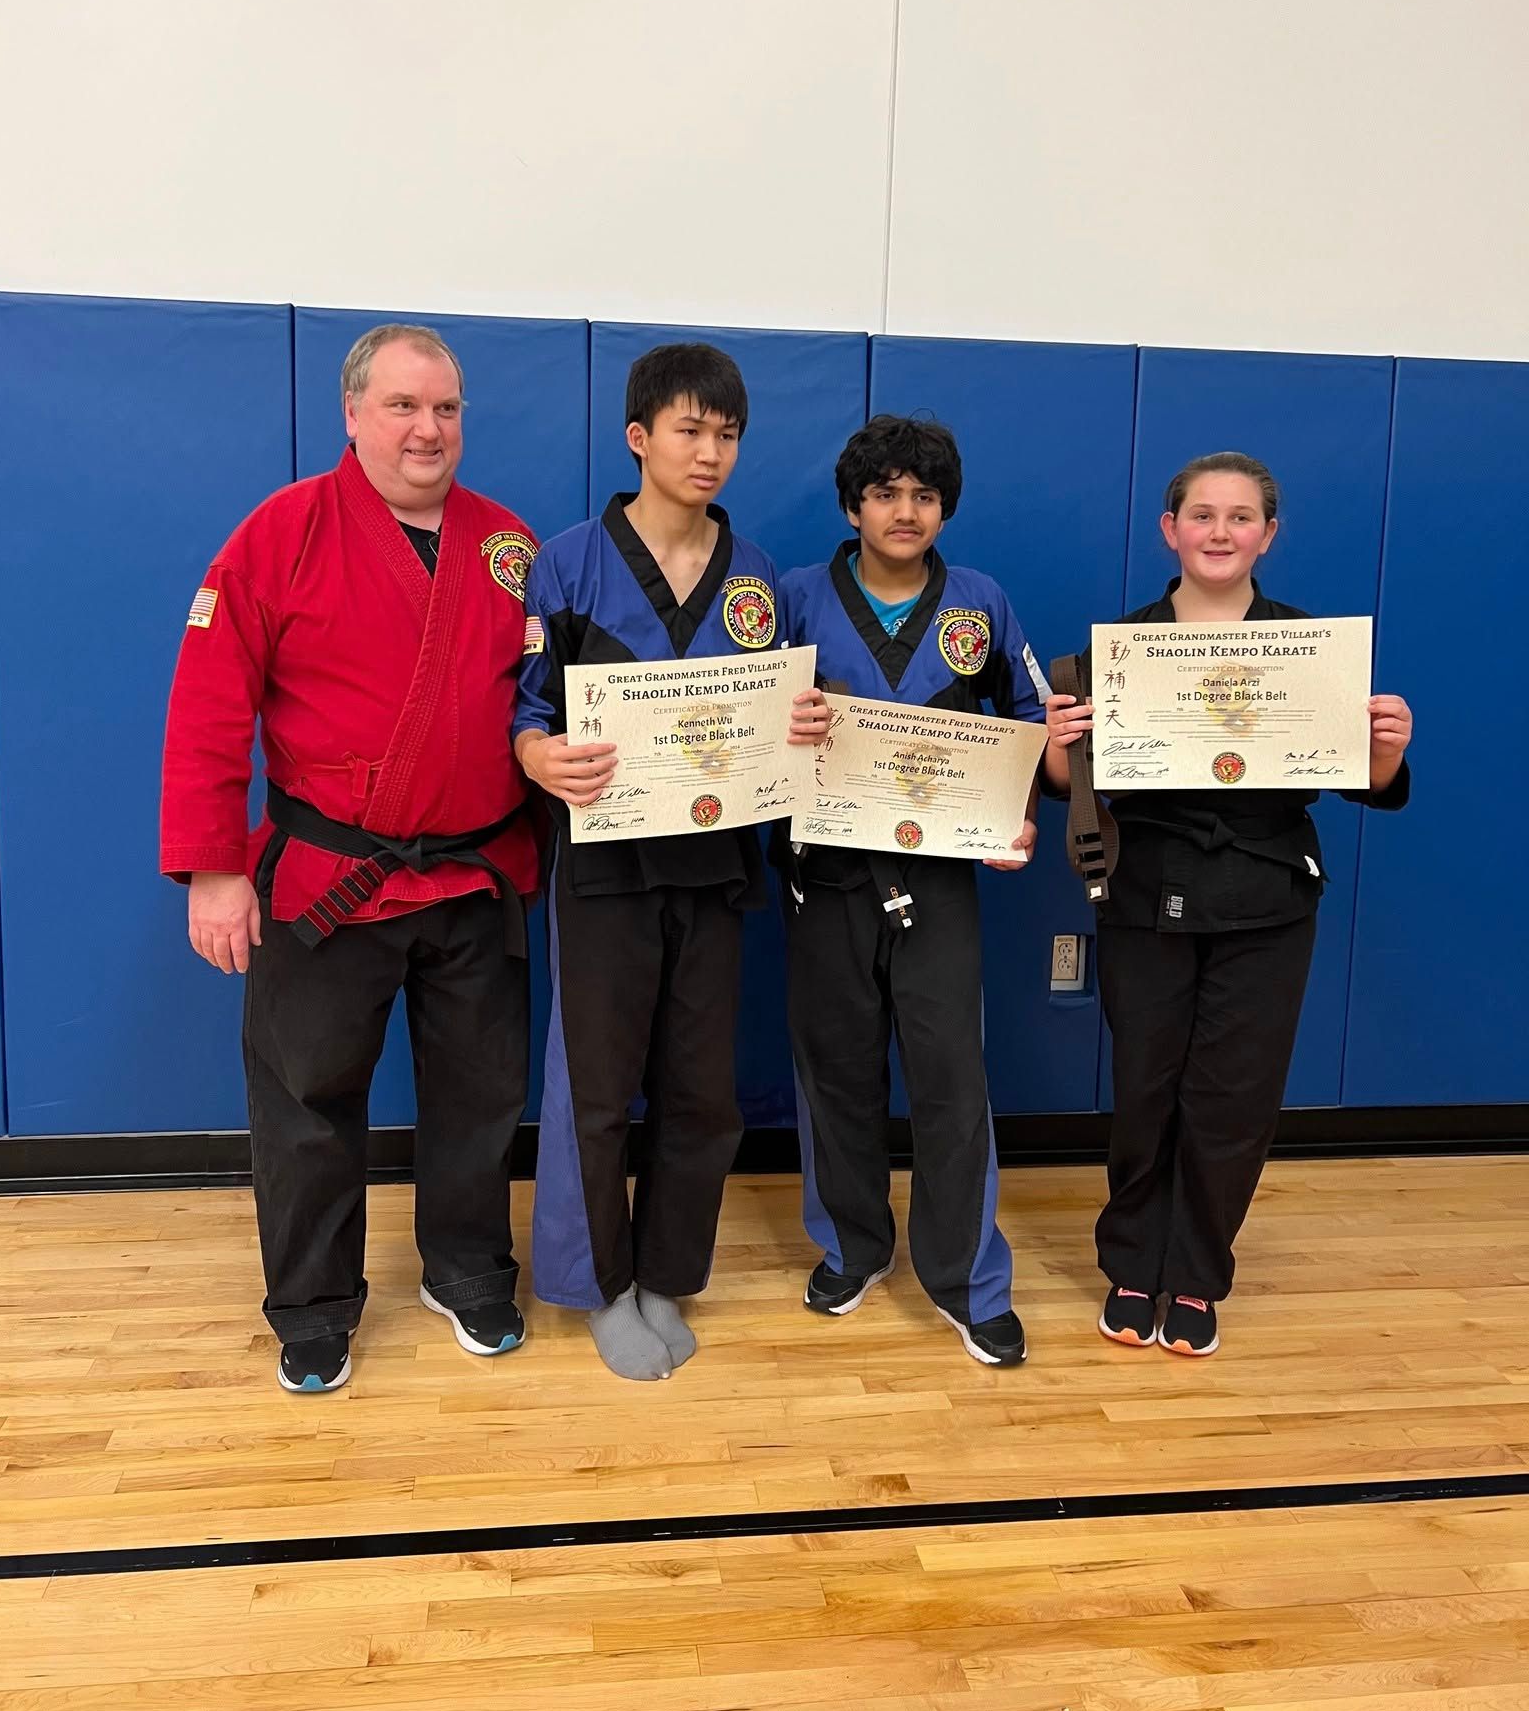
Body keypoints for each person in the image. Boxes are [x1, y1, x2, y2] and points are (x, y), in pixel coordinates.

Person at [161, 324, 541, 1394]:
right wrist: (214, 866)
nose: (430, 429)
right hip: (331, 878)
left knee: (480, 1094)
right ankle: (315, 1304)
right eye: (405, 406)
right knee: (307, 1101)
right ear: (353, 413)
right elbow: (206, 706)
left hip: (474, 869)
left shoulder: (507, 544)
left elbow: (553, 706)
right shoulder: (279, 534)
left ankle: (466, 1269)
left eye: (448, 408)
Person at [1044, 452, 1413, 1357]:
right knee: (1146, 1091)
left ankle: (1199, 1273)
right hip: (1144, 895)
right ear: (1169, 530)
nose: (1219, 532)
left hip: (1268, 898)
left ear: (1267, 535)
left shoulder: (1311, 650)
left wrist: (1387, 747)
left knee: (1233, 1099)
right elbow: (1071, 789)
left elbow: (1367, 784)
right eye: (1201, 515)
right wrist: (1058, 745)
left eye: (1240, 517)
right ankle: (1133, 1262)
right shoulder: (1114, 651)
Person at [513, 342, 820, 1380]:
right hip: (602, 866)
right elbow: (524, 710)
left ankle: (663, 1270)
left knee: (701, 1091)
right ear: (640, 437)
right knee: (597, 1087)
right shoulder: (566, 564)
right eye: (690, 429)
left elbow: (778, 720)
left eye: (727, 432)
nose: (711, 451)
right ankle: (596, 1282)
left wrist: (804, 726)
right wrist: (536, 753)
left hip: (717, 861)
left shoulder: (760, 577)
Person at [778, 415, 1046, 1367]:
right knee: (836, 1074)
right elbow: (751, 724)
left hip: (937, 883)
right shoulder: (795, 597)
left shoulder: (981, 602)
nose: (905, 511)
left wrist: (1016, 814)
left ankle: (969, 1279)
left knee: (950, 1080)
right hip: (828, 877)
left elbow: (1029, 731)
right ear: (853, 505)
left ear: (945, 510)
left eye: (923, 495)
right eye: (885, 493)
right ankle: (852, 1245)